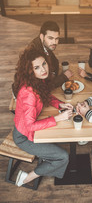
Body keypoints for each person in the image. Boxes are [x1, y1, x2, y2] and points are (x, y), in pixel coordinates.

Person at [12, 47, 73, 187]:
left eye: (44, 64)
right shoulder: (28, 93)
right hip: (23, 137)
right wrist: (58, 118)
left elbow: (45, 95)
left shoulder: (37, 80)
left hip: (31, 128)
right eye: (37, 67)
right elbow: (30, 126)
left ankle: (48, 163)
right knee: (63, 157)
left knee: (60, 143)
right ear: (30, 70)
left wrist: (60, 105)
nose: (43, 69)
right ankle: (27, 177)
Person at [29, 20, 73, 88]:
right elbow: (42, 86)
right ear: (41, 36)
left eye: (57, 38)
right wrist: (63, 77)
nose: (54, 42)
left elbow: (55, 63)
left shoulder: (45, 45)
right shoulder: (34, 53)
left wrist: (53, 75)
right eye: (50, 38)